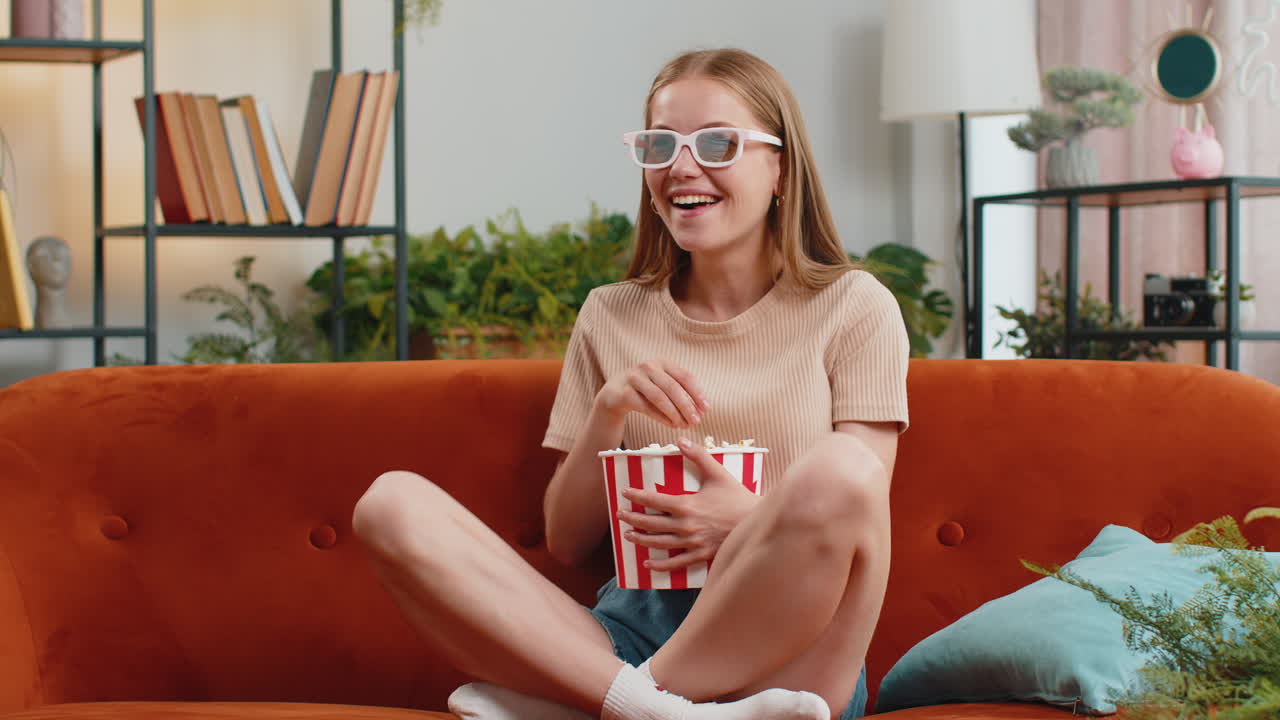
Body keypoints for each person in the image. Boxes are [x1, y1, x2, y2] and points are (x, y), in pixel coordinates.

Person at [352, 47, 909, 720]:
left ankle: (623, 704)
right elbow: (566, 539)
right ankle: (652, 708)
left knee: (844, 467)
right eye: (659, 145)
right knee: (390, 504)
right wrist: (610, 409)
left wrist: (749, 521)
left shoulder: (855, 306)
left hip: (792, 661)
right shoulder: (610, 313)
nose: (681, 166)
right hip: (626, 635)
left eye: (716, 143)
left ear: (781, 168)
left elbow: (862, 502)